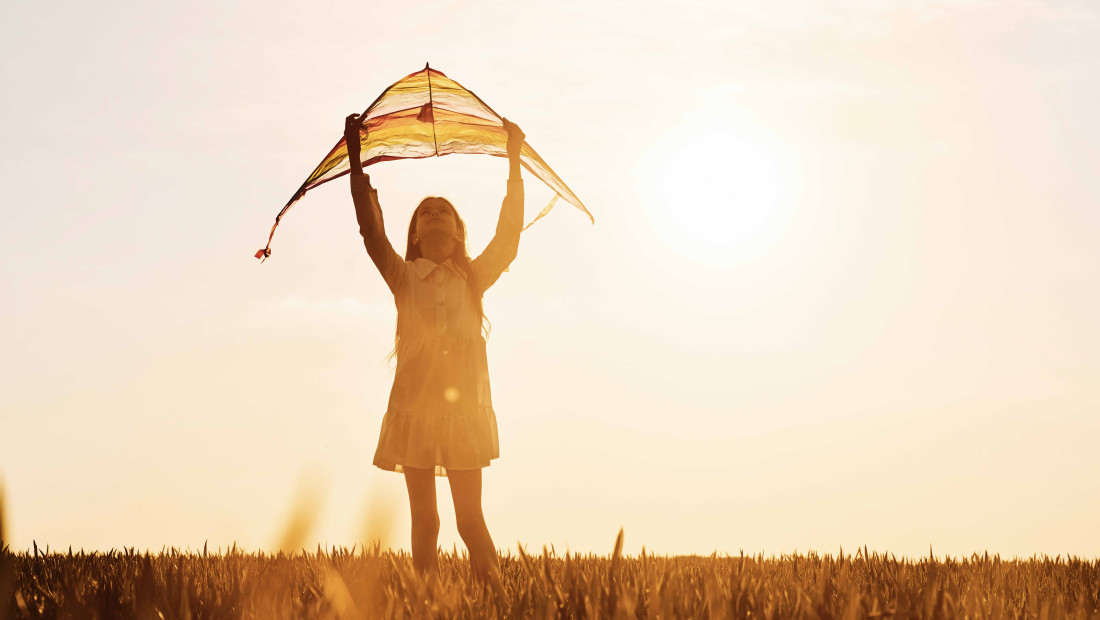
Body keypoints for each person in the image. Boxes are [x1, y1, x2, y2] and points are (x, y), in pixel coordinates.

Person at [344, 112, 526, 585]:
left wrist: (514, 160)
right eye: (426, 212)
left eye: (443, 210)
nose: (435, 215)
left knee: (470, 521)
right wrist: (356, 161)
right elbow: (371, 233)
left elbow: (507, 240)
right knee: (426, 521)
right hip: (416, 408)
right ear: (415, 235)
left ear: (459, 231)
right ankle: (420, 602)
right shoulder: (403, 276)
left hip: (463, 410)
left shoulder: (472, 279)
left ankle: (497, 597)